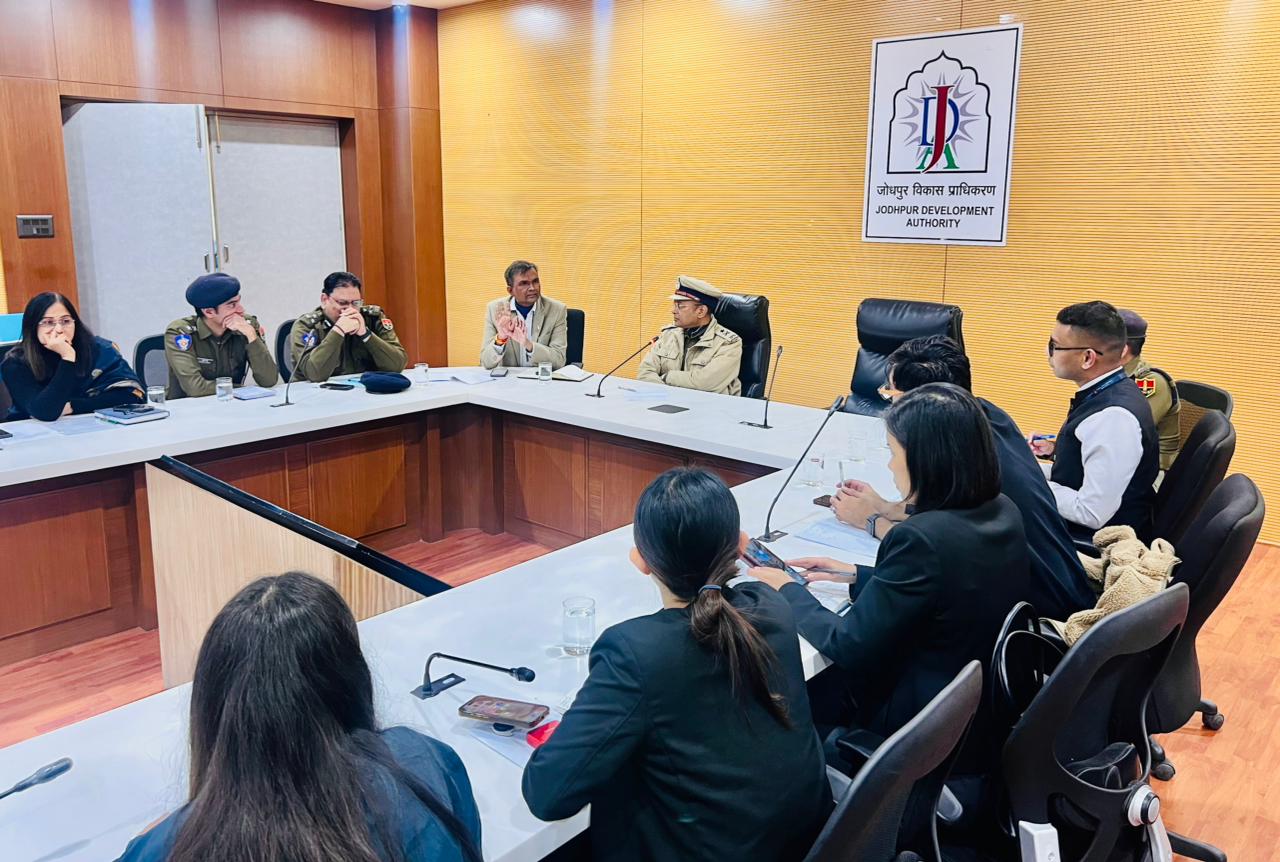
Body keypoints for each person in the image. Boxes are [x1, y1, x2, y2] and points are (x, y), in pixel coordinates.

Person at [522, 468, 832, 861]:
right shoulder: (770, 604)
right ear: (740, 546)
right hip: (805, 842)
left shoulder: (635, 652)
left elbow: (548, 795)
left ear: (640, 560)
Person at [749, 384, 1030, 781]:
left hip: (914, 727)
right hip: (974, 711)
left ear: (925, 461)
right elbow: (950, 590)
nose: (890, 466)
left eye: (893, 453)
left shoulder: (921, 538)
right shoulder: (1003, 510)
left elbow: (848, 644)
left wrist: (786, 590)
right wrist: (855, 575)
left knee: (777, 695)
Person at [115, 572, 481, 862]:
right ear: (350, 680)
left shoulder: (165, 847)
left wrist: (170, 829)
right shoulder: (425, 760)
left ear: (214, 706)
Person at [832, 335, 1094, 618]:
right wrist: (887, 507)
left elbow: (943, 549)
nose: (892, 406)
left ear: (922, 404)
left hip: (1034, 606)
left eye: (892, 394)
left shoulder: (965, 460)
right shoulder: (987, 416)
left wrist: (871, 521)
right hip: (1064, 580)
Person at [1029, 301, 1159, 540]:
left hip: (1095, 541)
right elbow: (1075, 475)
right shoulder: (1108, 392)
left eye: (1054, 346)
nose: (1048, 354)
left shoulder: (1113, 417)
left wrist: (1025, 481)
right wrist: (1021, 465)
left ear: (1087, 358)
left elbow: (1090, 512)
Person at [1, 292, 144, 422]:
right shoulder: (15, 362)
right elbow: (45, 412)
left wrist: (72, 406)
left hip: (91, 426)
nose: (59, 329)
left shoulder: (99, 349)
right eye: (48, 322)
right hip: (31, 434)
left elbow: (132, 395)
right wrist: (68, 357)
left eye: (66, 321)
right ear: (32, 327)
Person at [164, 273, 279, 399]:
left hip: (232, 403)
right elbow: (195, 388)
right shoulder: (181, 333)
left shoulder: (246, 326)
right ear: (209, 312)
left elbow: (269, 380)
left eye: (239, 302)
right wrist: (242, 389)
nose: (241, 310)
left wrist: (251, 336)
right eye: (232, 305)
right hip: (187, 407)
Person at [289, 272, 407, 382]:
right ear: (325, 300)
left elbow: (397, 365)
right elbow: (315, 374)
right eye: (342, 303)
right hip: (316, 393)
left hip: (365, 390)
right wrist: (338, 331)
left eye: (356, 303)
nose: (350, 310)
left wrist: (366, 334)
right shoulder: (307, 326)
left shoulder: (373, 318)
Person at [637, 276, 742, 396]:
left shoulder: (728, 343)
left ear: (701, 311)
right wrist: (665, 395)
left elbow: (705, 383)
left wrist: (667, 377)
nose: (673, 311)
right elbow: (645, 371)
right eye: (674, 305)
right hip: (667, 402)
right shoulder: (668, 334)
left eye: (680, 306)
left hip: (709, 405)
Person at [1118, 308, 1180, 470]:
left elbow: (1122, 437)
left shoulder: (1148, 383)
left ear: (1122, 349)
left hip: (1151, 471)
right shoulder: (1113, 378)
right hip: (1122, 465)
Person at [480, 260, 568, 370]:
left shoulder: (557, 310)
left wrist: (528, 345)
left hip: (540, 378)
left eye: (535, 281)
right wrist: (501, 338)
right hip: (509, 379)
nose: (532, 288)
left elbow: (559, 361)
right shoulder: (495, 310)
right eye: (524, 283)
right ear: (510, 290)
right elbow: (486, 363)